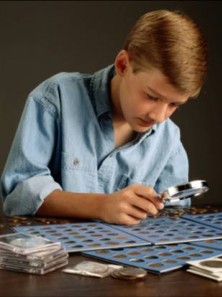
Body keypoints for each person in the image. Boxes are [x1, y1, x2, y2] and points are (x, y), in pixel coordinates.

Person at [1, 9, 208, 225]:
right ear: (123, 65)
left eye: (174, 104)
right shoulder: (56, 98)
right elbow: (19, 192)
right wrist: (101, 205)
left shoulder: (169, 141)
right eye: (151, 96)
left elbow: (172, 219)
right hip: (55, 255)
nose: (159, 115)